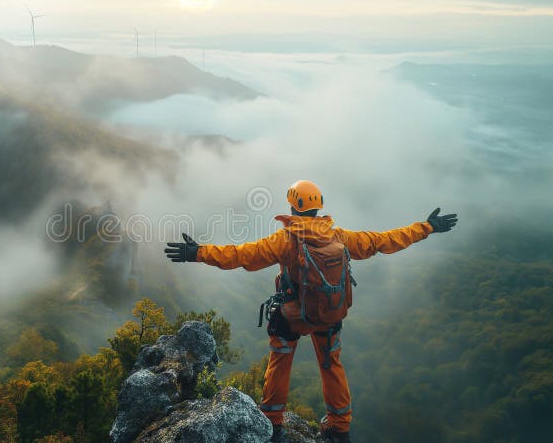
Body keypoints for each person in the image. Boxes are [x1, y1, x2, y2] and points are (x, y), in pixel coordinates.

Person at [164, 180, 457, 443]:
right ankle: (340, 426)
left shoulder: (285, 240)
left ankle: (272, 421)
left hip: (293, 316)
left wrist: (198, 253)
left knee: (280, 361)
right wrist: (427, 227)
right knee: (331, 365)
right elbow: (383, 240)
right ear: (319, 209)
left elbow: (242, 255)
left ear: (292, 206)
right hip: (329, 315)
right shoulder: (339, 237)